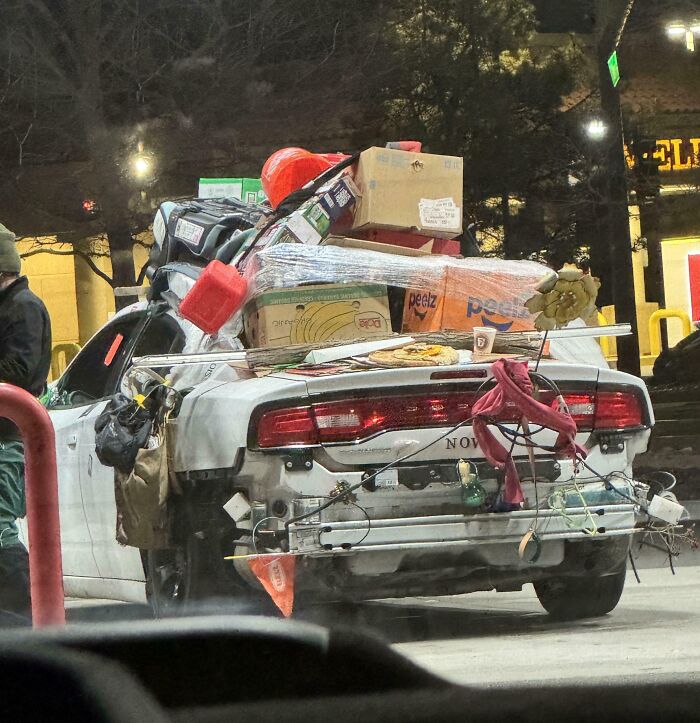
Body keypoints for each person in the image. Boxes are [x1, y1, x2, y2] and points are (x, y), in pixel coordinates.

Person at [0, 222, 51, 624]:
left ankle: (23, 618)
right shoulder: (13, 307)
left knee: (0, 530)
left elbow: (20, 369)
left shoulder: (24, 308)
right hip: (7, 434)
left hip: (8, 437)